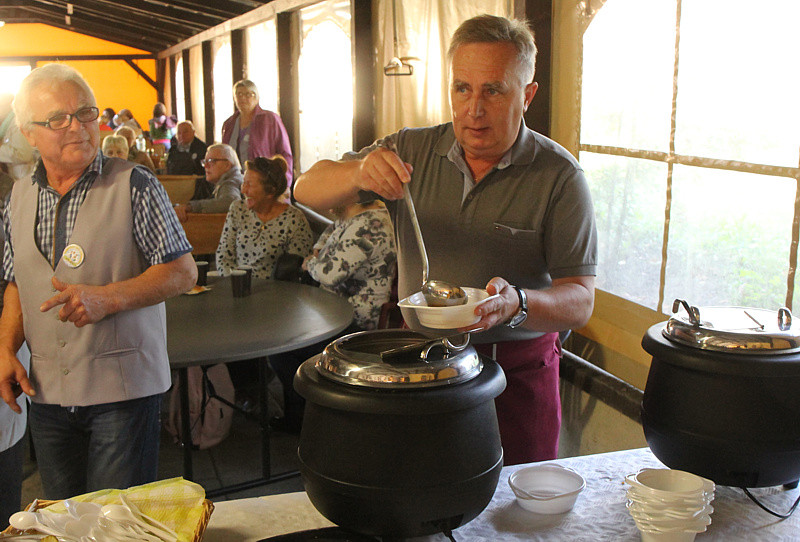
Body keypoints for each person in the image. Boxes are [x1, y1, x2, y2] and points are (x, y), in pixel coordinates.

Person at [294, 14, 597, 465]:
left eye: (493, 90)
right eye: (462, 88)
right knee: (421, 500)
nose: (474, 109)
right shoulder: (412, 150)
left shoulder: (559, 176)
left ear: (527, 94)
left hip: (515, 369)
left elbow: (580, 299)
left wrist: (517, 302)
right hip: (419, 363)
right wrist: (360, 171)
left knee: (515, 516)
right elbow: (305, 188)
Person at [0, 64, 197, 499]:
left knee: (116, 522)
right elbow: (17, 281)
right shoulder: (18, 197)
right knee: (62, 516)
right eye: (58, 119)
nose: (78, 127)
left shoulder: (134, 184)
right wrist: (5, 349)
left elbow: (183, 271)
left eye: (85, 112)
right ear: (29, 133)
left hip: (122, 391)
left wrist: (108, 298)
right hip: (48, 392)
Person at [304, 200, 396, 330]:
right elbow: (335, 227)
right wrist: (319, 247)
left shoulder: (368, 225)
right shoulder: (360, 215)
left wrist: (309, 263)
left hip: (355, 317)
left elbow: (331, 276)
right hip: (337, 307)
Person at [216, 155, 312, 278]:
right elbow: (223, 256)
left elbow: (294, 270)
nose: (243, 190)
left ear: (270, 191)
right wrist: (234, 285)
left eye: (249, 185)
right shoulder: (238, 209)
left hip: (277, 292)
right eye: (243, 183)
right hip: (238, 286)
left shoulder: (294, 220)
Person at [221, 80, 293, 189]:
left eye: (248, 94)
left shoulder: (270, 119)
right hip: (235, 184)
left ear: (257, 97)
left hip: (265, 183)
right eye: (239, 94)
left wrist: (284, 184)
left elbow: (284, 153)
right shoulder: (229, 124)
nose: (243, 98)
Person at [173, 143, 243, 222]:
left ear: (227, 165)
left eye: (211, 161)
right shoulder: (235, 178)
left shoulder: (229, 183)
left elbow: (230, 202)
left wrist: (190, 207)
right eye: (205, 162)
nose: (206, 166)